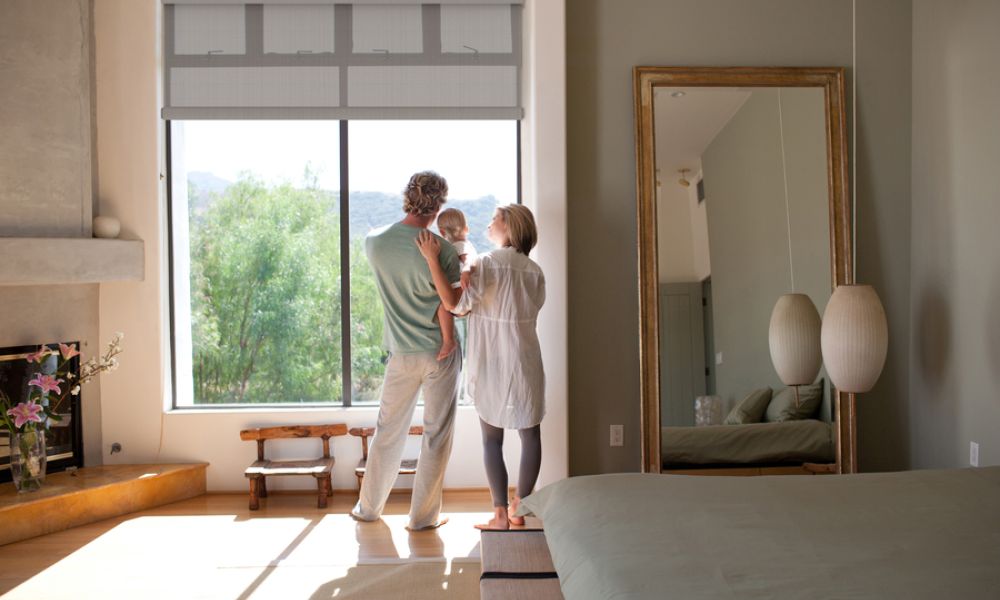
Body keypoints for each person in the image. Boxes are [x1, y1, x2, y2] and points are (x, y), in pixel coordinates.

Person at [416, 204, 546, 530]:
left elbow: (456, 305)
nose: (488, 224)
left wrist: (437, 262)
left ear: (509, 226)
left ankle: (500, 514)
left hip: (491, 363)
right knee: (531, 436)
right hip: (526, 362)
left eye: (494, 219)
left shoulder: (486, 264)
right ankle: (520, 509)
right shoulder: (535, 272)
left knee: (492, 440)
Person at [351, 171, 463, 532]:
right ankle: (423, 518)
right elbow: (448, 304)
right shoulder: (441, 250)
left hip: (400, 352)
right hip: (439, 353)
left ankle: (368, 509)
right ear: (439, 204)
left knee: (387, 432)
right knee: (436, 434)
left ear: (406, 197)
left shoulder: (374, 242)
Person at [434, 208, 478, 362]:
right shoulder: (465, 244)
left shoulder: (460, 245)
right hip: (467, 295)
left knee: (442, 307)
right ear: (466, 228)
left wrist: (466, 270)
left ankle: (448, 341)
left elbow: (470, 259)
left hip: (461, 292)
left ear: (441, 231)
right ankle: (450, 339)